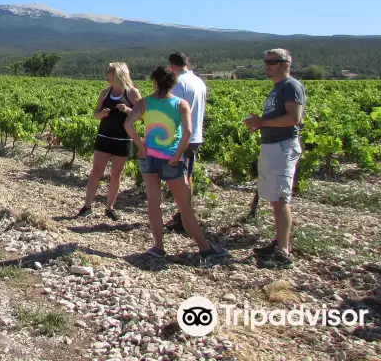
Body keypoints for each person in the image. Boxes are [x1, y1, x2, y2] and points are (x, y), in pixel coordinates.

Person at [124, 66, 228, 262]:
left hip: (148, 157)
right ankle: (205, 248)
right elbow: (188, 133)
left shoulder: (143, 103)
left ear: (154, 81)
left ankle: (158, 247)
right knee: (184, 206)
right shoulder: (181, 104)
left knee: (153, 204)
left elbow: (128, 125)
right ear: (173, 84)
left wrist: (140, 146)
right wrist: (177, 155)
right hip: (171, 159)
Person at [242, 48, 306, 269]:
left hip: (282, 146)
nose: (267, 65)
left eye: (272, 62)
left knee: (281, 198)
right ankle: (279, 241)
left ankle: (283, 252)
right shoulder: (278, 88)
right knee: (275, 198)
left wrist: (262, 123)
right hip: (272, 146)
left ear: (286, 64)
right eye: (266, 61)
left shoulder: (291, 86)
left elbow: (294, 118)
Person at [76, 62, 142, 220]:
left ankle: (110, 208)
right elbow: (95, 114)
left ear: (119, 74)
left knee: (116, 174)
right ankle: (87, 206)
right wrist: (102, 114)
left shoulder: (132, 93)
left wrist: (127, 111)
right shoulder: (105, 93)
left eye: (109, 73)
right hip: (104, 136)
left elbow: (140, 116)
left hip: (123, 138)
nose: (107, 76)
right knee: (95, 172)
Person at [165, 51, 208, 233]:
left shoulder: (178, 83)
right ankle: (182, 215)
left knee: (180, 179)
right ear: (186, 63)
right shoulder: (199, 81)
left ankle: (184, 217)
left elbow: (171, 110)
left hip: (181, 137)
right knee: (186, 175)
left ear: (172, 66)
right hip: (195, 135)